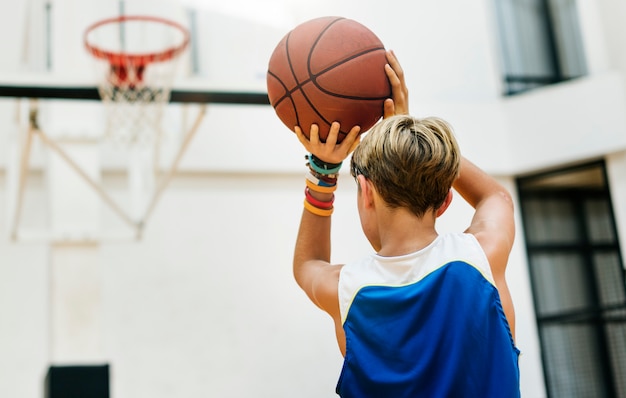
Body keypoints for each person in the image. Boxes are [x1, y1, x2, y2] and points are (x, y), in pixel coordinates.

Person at [292, 50, 520, 397]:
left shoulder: (347, 291)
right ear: (445, 201)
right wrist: (416, 139)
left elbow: (307, 263)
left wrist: (323, 171)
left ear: (365, 192)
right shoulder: (482, 257)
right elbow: (496, 198)